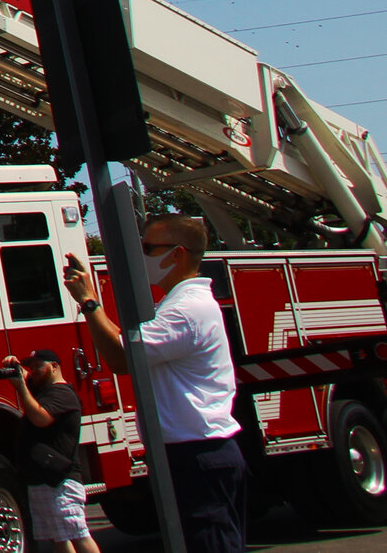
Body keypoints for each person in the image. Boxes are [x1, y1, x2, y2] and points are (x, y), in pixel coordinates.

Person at [64, 216, 242, 553]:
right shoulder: (181, 305)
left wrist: (89, 301)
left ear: (177, 254)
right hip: (198, 451)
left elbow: (120, 357)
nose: (141, 255)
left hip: (197, 452)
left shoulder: (187, 311)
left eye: (148, 247)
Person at [0, 350, 98, 553]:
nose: (33, 371)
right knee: (58, 537)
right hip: (44, 478)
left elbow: (41, 417)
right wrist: (16, 368)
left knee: (77, 534)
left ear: (54, 366)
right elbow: (28, 378)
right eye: (31, 366)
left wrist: (21, 388)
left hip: (61, 481)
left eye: (38, 366)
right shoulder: (44, 390)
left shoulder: (62, 393)